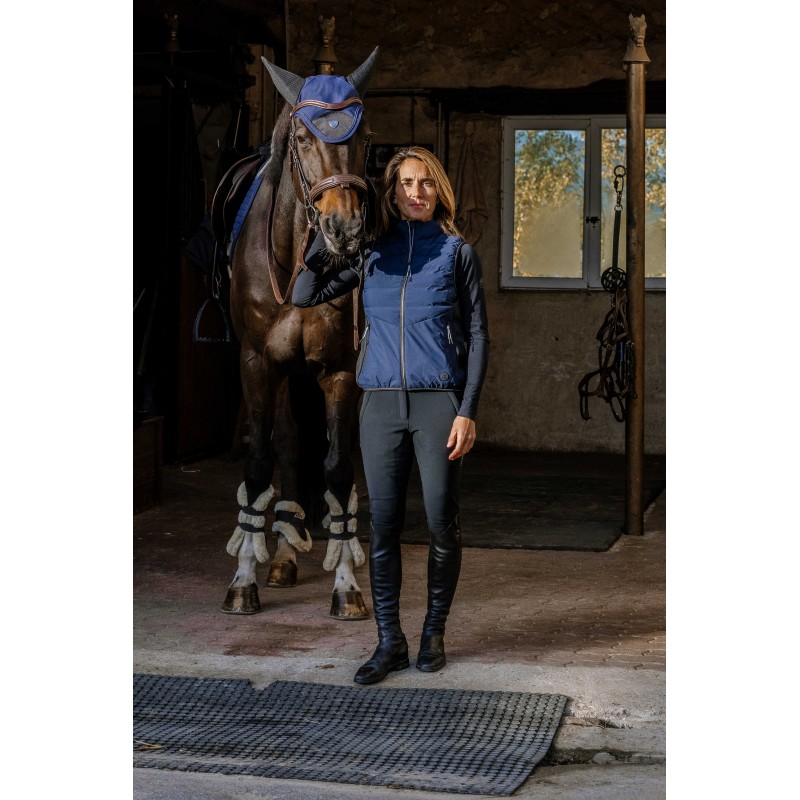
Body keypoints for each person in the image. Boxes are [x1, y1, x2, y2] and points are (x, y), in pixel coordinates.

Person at [292, 146, 490, 685]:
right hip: (379, 406)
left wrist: (467, 411)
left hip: (438, 404)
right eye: (406, 183)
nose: (416, 192)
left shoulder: (456, 252)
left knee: (441, 522)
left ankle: (433, 633)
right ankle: (389, 642)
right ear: (392, 192)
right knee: (382, 528)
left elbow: (478, 335)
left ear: (438, 189)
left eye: (425, 182)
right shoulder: (370, 252)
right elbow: (304, 293)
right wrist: (326, 233)